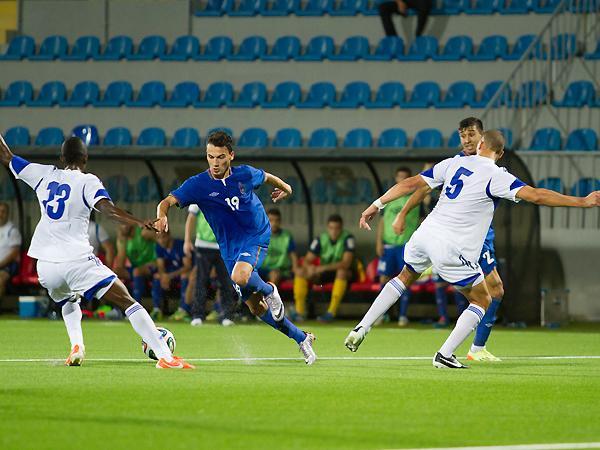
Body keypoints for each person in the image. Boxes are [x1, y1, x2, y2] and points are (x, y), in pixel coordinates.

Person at [345, 130, 600, 369]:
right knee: (482, 299)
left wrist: (376, 205)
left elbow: (411, 183)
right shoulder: (497, 175)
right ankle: (445, 354)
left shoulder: (453, 163)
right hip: (451, 246)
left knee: (404, 276)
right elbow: (537, 196)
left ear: (479, 145)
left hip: (423, 235)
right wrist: (582, 201)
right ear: (500, 153)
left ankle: (362, 327)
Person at [0, 134, 193, 369]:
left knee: (69, 299)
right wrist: (140, 222)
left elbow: (6, 156)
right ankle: (166, 357)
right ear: (85, 158)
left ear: (62, 158)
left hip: (46, 266)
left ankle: (77, 346)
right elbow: (108, 210)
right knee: (127, 301)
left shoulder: (43, 173)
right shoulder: (87, 181)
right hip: (76, 260)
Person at [155, 131, 316, 364]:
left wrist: (287, 188)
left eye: (220, 157)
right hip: (229, 249)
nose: (215, 163)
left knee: (240, 276)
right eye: (210, 157)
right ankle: (301, 338)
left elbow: (267, 177)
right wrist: (161, 215)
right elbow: (167, 201)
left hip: (255, 234)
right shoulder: (198, 184)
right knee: (256, 308)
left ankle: (269, 290)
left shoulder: (245, 174)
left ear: (231, 155)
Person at [394, 117, 505, 361]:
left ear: (482, 137)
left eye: (471, 135)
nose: (467, 140)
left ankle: (475, 347)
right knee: (489, 290)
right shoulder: (455, 162)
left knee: (494, 290)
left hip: (480, 236)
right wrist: (403, 213)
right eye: (463, 136)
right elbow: (423, 187)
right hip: (457, 238)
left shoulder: (490, 164)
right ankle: (465, 348)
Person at [293, 214, 356, 323]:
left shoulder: (348, 238)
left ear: (341, 228)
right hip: (325, 274)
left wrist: (323, 268)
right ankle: (300, 312)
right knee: (301, 272)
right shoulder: (320, 239)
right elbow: (307, 260)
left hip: (346, 274)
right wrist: (310, 267)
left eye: (337, 228)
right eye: (331, 228)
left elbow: (346, 263)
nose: (334, 231)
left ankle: (331, 312)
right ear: (327, 228)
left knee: (342, 272)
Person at [376, 167, 419, 326]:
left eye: (405, 177)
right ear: (396, 178)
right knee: (383, 278)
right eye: (399, 177)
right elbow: (382, 221)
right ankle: (382, 314)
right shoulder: (389, 197)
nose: (402, 180)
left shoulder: (416, 198)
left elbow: (423, 219)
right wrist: (379, 242)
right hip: (388, 245)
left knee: (406, 279)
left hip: (406, 245)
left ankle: (402, 315)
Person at [184, 204, 236, 326]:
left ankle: (227, 316)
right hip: (203, 245)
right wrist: (187, 240)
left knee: (226, 282)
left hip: (224, 245)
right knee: (201, 281)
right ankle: (197, 315)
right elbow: (191, 217)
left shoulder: (228, 195)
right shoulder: (198, 194)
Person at [114, 222, 158, 318]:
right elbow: (121, 265)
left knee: (136, 271)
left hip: (153, 266)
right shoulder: (123, 239)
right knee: (114, 273)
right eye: (121, 223)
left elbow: (161, 239)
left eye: (125, 223)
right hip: (136, 268)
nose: (123, 226)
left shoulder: (142, 232)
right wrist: (122, 242)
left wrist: (152, 231)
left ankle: (136, 311)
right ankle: (117, 309)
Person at [153, 230, 192, 320]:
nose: (161, 240)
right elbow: (160, 266)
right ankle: (157, 310)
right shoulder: (159, 247)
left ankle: (183, 310)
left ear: (169, 236)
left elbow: (187, 266)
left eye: (163, 237)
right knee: (157, 277)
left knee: (184, 276)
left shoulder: (180, 245)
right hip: (170, 275)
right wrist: (163, 276)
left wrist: (169, 276)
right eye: (158, 238)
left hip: (182, 273)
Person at [259, 208, 298, 286]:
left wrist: (295, 269)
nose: (274, 223)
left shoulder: (286, 236)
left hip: (281, 270)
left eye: (277, 220)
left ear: (280, 222)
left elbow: (293, 256)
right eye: (271, 220)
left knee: (274, 275)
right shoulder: (260, 236)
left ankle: (272, 294)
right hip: (263, 270)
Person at [0, 201, 21, 307]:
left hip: (8, 265)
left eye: (3, 212)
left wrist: (1, 264)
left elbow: (14, 253)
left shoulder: (12, 230)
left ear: (7, 214)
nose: (0, 214)